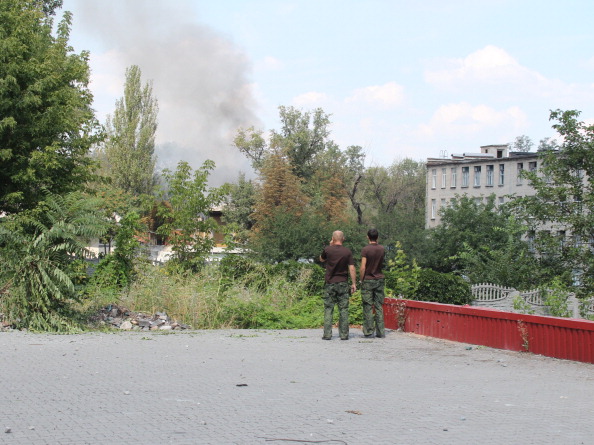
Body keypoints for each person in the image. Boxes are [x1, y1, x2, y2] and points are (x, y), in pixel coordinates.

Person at [320, 230, 357, 340]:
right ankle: (344, 335)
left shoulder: (327, 249)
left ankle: (327, 334)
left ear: (333, 238)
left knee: (328, 308)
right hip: (343, 283)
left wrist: (330, 245)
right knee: (343, 309)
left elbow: (321, 259)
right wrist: (354, 283)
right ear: (343, 239)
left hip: (330, 283)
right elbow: (351, 268)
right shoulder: (347, 251)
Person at [359, 228, 386, 338]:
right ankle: (380, 331)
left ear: (368, 237)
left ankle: (368, 331)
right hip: (379, 279)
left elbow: (363, 267)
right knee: (379, 305)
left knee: (368, 305)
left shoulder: (365, 249)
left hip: (368, 280)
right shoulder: (382, 249)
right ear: (377, 237)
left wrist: (361, 279)